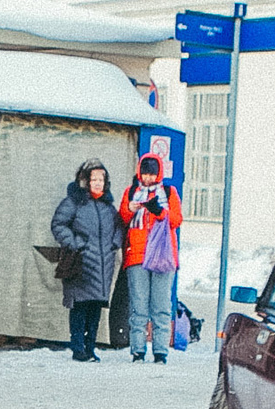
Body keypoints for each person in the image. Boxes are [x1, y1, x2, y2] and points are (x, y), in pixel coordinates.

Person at [51, 159, 124, 362]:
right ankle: (78, 348)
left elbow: (119, 227)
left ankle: (90, 347)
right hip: (81, 262)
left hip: (103, 264)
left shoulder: (108, 207)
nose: (98, 183)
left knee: (95, 307)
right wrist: (75, 243)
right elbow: (58, 225)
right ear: (85, 181)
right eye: (94, 179)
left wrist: (115, 243)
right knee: (80, 306)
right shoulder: (73, 202)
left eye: (102, 179)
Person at [118, 154, 182, 364]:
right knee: (139, 305)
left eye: (152, 174)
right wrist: (130, 209)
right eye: (144, 174)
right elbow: (122, 218)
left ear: (159, 173)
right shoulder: (131, 192)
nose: (148, 178)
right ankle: (138, 350)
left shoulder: (169, 192)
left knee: (161, 305)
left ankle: (160, 351)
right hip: (136, 255)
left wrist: (159, 211)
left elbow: (176, 220)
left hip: (163, 255)